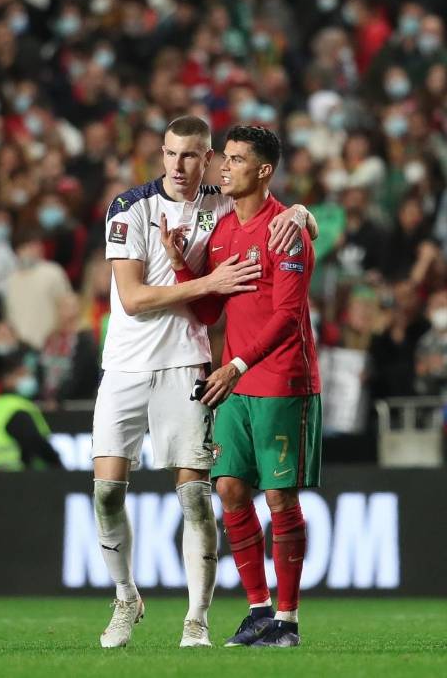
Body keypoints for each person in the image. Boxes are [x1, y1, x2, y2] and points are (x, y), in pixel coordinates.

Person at [90, 116, 317, 649]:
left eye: (193, 155)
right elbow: (138, 299)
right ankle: (130, 597)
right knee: (114, 494)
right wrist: (199, 276)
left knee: (208, 496)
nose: (180, 165)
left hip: (203, 368)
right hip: (134, 365)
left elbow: (283, 227)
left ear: (207, 157)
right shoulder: (134, 208)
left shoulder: (223, 203)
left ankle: (210, 619)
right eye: (170, 154)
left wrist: (304, 214)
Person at [169, 125, 322, 648]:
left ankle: (288, 618)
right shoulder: (224, 232)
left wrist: (234, 363)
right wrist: (179, 265)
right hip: (234, 380)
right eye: (224, 158)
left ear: (264, 170)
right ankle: (258, 609)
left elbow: (286, 316)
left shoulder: (287, 230)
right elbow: (211, 309)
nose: (223, 167)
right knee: (231, 488)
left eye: (235, 159)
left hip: (280, 376)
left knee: (279, 495)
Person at [0, 356, 64, 471]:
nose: (28, 378)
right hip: (22, 477)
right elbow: (35, 442)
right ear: (7, 379)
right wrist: (56, 463)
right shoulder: (16, 408)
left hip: (0, 475)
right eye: (22, 374)